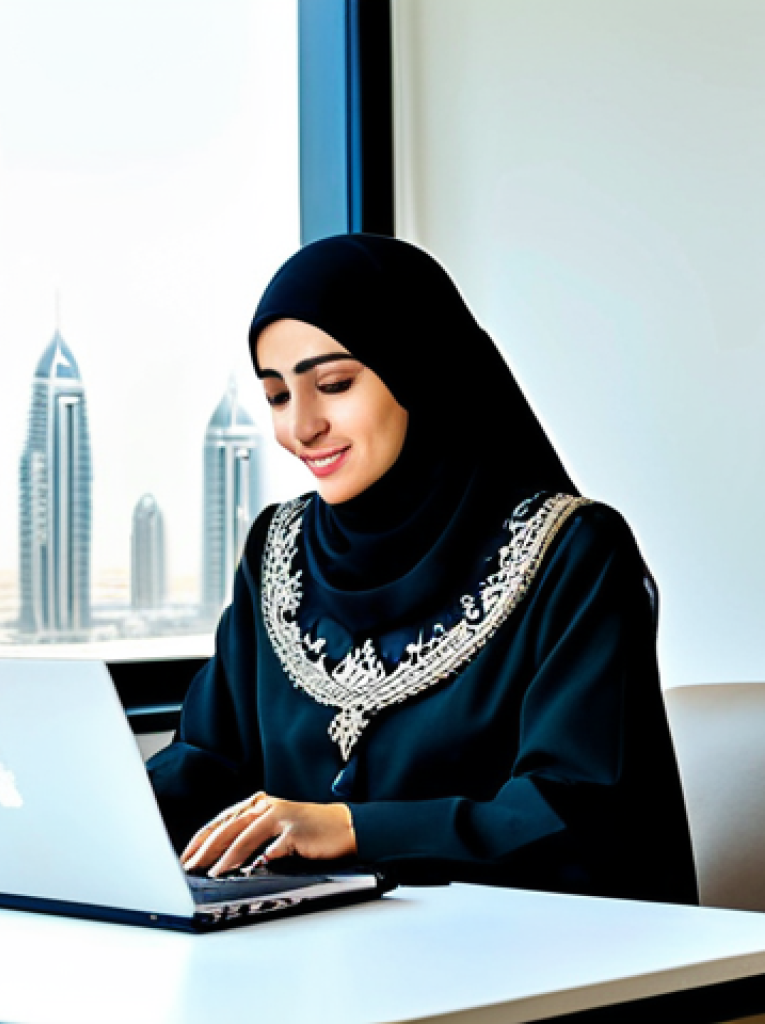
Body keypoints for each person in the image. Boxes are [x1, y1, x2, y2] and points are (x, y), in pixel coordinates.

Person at [147, 233, 698, 904]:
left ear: (417, 369)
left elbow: (576, 813)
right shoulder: (277, 550)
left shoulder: (572, 553)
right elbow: (209, 759)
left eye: (333, 384)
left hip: (516, 966)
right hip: (305, 963)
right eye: (277, 396)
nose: (302, 427)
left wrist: (352, 829)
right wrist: (87, 815)